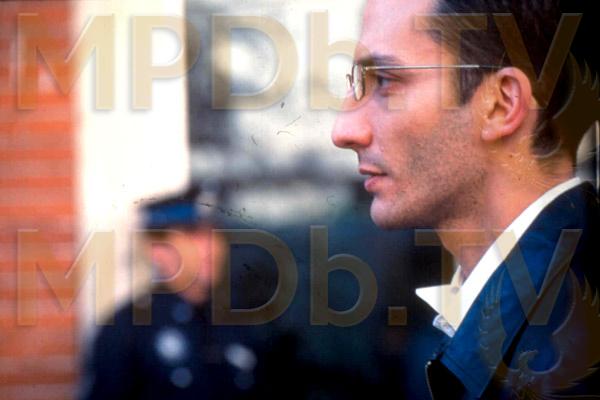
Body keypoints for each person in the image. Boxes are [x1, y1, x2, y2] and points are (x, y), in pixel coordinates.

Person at [331, 0, 600, 398]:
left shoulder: (560, 364)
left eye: (385, 81)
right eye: (358, 82)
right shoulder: (546, 322)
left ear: (500, 104)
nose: (343, 130)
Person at [79, 186, 260, 400]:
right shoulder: (128, 330)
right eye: (193, 235)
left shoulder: (247, 321)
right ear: (157, 249)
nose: (211, 247)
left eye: (215, 234)